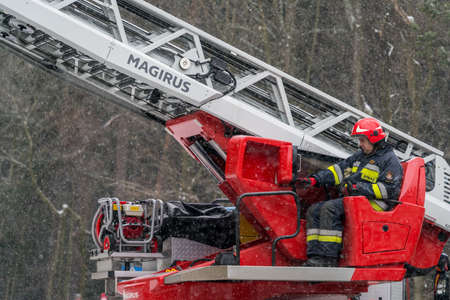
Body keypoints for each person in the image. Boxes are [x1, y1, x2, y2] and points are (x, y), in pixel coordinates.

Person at [298, 117, 403, 267]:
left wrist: (357, 188)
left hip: (372, 205)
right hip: (355, 201)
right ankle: (315, 256)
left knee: (329, 208)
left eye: (362, 140)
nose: (360, 144)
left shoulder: (390, 161)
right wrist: (315, 180)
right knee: (314, 210)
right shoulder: (360, 156)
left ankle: (328, 258)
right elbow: (339, 170)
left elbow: (389, 190)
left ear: (374, 140)